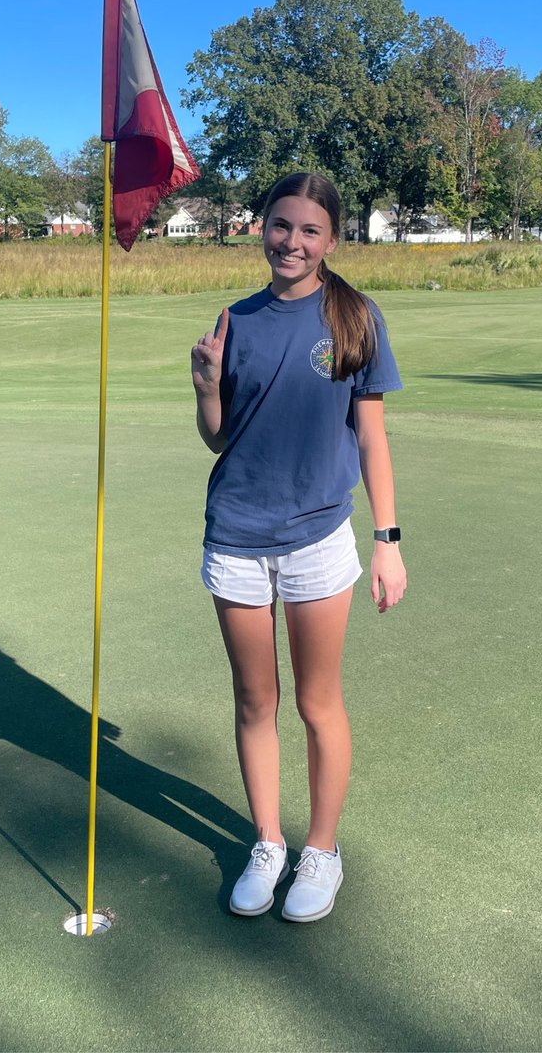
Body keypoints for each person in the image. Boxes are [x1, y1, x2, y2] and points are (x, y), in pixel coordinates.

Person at [190, 171, 407, 923]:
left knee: (317, 703)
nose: (291, 241)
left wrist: (387, 540)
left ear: (332, 241)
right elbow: (219, 437)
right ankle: (267, 842)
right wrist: (205, 387)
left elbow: (371, 439)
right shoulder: (235, 320)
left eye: (309, 230)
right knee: (255, 699)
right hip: (237, 536)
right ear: (261, 228)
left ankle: (320, 850)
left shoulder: (354, 318)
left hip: (317, 535)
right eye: (280, 225)